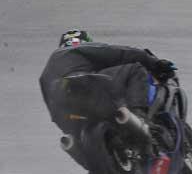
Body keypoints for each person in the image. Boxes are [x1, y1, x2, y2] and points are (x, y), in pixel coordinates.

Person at [39, 30, 178, 171]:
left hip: (66, 113)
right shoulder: (76, 49)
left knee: (79, 146)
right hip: (84, 87)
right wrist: (153, 62)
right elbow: (119, 53)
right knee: (135, 69)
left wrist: (72, 132)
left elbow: (53, 110)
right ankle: (140, 117)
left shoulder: (46, 74)